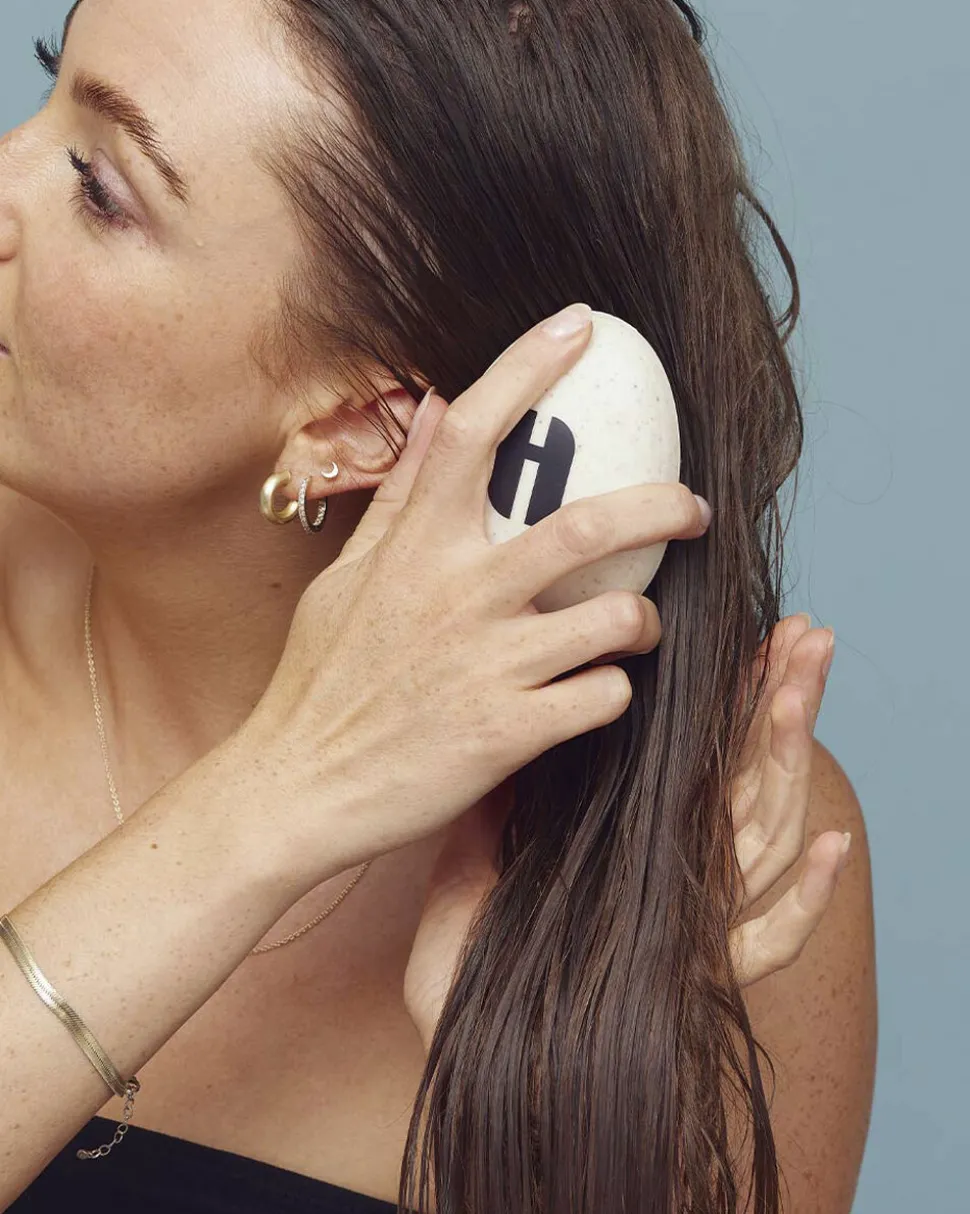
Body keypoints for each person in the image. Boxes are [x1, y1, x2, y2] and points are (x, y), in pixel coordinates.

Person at [0, 0, 876, 1211]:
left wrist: (537, 1151)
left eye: (99, 188)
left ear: (357, 424)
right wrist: (276, 795)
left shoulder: (724, 858)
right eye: (51, 83)